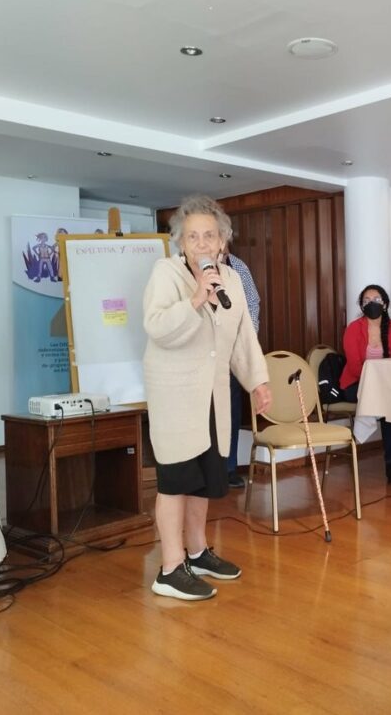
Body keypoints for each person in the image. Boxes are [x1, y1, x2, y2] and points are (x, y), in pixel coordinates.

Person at [143, 194, 271, 601]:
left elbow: (242, 335)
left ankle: (197, 553)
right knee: (176, 480)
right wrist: (197, 297)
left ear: (222, 241)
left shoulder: (230, 278)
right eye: (193, 236)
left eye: (209, 236)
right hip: (176, 395)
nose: (201, 243)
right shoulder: (166, 273)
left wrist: (258, 381)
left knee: (203, 478)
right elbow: (157, 327)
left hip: (214, 395)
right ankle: (169, 568)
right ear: (181, 242)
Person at [339, 284, 391, 486]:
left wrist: (384, 385)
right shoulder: (353, 328)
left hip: (386, 384)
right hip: (355, 384)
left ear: (384, 304)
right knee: (387, 404)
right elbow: (354, 365)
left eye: (376, 300)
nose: (371, 304)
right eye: (366, 301)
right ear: (361, 305)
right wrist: (378, 385)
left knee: (390, 404)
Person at [222, 246, 261, 489]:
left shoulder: (238, 267)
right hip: (199, 359)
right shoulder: (184, 267)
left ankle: (228, 468)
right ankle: (204, 470)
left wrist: (248, 341)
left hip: (232, 354)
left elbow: (253, 304)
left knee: (232, 413)